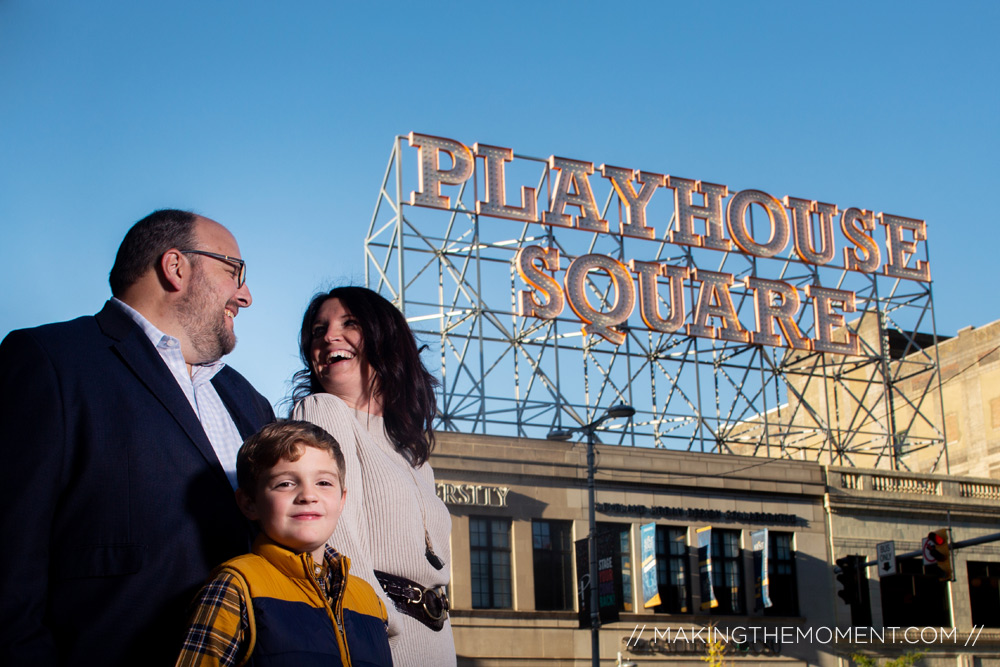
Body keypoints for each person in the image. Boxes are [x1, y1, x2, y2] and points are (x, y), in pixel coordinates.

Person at [0, 209, 275, 666]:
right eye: (234, 271)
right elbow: (10, 568)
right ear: (175, 267)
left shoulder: (250, 401)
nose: (245, 295)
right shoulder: (49, 362)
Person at [291, 286, 455, 667]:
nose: (330, 336)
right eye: (318, 330)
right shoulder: (322, 410)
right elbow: (334, 541)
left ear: (386, 339)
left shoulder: (413, 456)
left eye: (350, 323)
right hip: (378, 639)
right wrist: (381, 626)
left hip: (436, 640)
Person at [176, 420, 392, 667]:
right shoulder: (236, 586)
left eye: (324, 483)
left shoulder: (370, 600)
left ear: (342, 499)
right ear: (249, 502)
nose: (308, 496)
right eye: (285, 484)